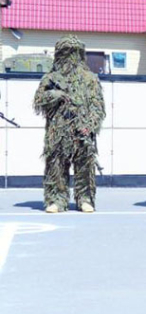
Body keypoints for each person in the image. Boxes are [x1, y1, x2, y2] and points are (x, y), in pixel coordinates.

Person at [33, 35, 106, 213]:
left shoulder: (90, 79)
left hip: (83, 130)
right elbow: (38, 100)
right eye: (67, 53)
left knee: (85, 166)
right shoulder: (50, 78)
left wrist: (90, 126)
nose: (70, 58)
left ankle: (85, 198)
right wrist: (53, 95)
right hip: (57, 131)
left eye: (74, 53)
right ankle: (56, 199)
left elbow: (98, 107)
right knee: (56, 165)